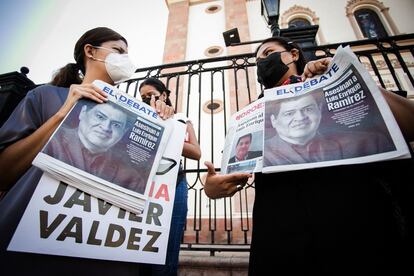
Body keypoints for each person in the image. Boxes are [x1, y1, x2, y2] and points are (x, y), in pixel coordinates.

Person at [204, 36, 414, 275]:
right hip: (282, 232)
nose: (262, 61)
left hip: (355, 225)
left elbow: (409, 123)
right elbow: (231, 170)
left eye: (267, 52)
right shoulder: (254, 111)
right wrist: (212, 187)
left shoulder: (330, 82)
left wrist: (345, 75)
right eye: (257, 60)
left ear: (293, 54)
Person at [0, 27, 174, 275]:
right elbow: (4, 172)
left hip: (104, 250)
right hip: (28, 247)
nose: (125, 59)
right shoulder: (45, 96)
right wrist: (63, 114)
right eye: (118, 50)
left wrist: (161, 127)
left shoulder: (136, 116)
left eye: (128, 53)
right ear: (90, 51)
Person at [138, 78, 201, 276]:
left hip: (173, 185)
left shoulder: (182, 118)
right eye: (143, 97)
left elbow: (196, 152)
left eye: (151, 95)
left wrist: (166, 135)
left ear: (164, 95)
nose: (147, 99)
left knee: (167, 247)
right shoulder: (139, 115)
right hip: (143, 185)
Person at [43, 100, 146, 193]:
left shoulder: (130, 177)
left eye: (116, 125)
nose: (106, 128)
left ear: (123, 132)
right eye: (100, 117)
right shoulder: (50, 140)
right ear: (83, 113)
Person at [264, 92, 394, 166]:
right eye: (289, 113)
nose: (300, 117)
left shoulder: (368, 142)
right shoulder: (262, 154)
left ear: (319, 111)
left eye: (308, 109)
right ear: (274, 121)